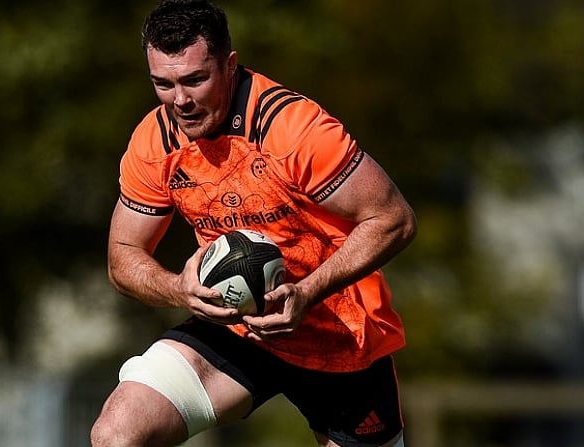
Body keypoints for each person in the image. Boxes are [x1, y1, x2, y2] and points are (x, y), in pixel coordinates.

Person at [90, 0, 417, 446]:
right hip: (237, 330)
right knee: (117, 432)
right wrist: (178, 289)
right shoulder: (156, 141)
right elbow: (122, 257)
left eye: (195, 80)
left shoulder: (294, 130)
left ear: (229, 65)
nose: (179, 101)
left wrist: (305, 293)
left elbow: (394, 219)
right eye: (162, 84)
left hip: (341, 338)